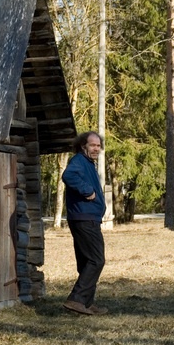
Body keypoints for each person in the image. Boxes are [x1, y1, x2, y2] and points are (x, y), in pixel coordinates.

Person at [61, 131, 108, 315]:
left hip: (85, 217)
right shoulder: (79, 161)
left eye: (98, 146)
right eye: (92, 145)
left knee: (87, 261)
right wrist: (87, 191)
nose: (96, 149)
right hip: (84, 217)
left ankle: (86, 304)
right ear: (83, 146)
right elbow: (68, 176)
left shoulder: (88, 163)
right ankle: (76, 299)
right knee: (97, 259)